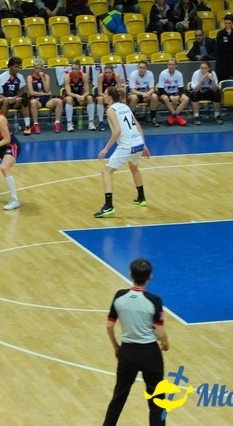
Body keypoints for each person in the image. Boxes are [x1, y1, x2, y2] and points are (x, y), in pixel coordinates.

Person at [102, 257, 168, 426]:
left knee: (119, 396)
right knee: (157, 399)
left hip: (127, 352)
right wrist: (166, 342)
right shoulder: (154, 300)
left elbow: (109, 326)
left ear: (131, 275)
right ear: (150, 277)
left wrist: (116, 347)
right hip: (149, 354)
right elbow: (160, 331)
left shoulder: (119, 296)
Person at [95, 85, 149, 217]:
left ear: (110, 97)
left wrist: (106, 148)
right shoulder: (125, 106)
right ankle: (141, 198)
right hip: (137, 142)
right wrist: (144, 145)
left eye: (105, 94)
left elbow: (118, 131)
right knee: (134, 168)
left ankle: (108, 206)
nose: (103, 96)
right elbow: (138, 126)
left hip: (127, 145)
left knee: (106, 172)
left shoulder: (111, 109)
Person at [26, 59, 63, 134]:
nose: (38, 70)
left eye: (40, 68)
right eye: (37, 68)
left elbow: (47, 90)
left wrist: (42, 77)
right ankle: (36, 124)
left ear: (42, 68)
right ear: (34, 68)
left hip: (46, 100)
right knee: (33, 102)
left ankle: (57, 123)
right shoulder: (30, 77)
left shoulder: (46, 76)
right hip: (36, 100)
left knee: (59, 101)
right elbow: (31, 92)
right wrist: (43, 94)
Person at [0, 56, 30, 132]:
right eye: (15, 67)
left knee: (24, 100)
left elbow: (21, 93)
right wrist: (6, 98)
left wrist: (15, 97)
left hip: (15, 100)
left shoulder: (20, 77)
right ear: (10, 67)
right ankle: (3, 126)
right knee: (5, 101)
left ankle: (27, 126)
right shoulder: (1, 77)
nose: (17, 69)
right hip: (4, 99)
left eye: (18, 67)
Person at [63, 61, 95, 132]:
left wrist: (83, 96)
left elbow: (87, 91)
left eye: (76, 69)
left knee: (89, 98)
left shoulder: (84, 76)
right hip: (71, 96)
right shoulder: (67, 76)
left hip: (80, 97)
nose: (74, 70)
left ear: (79, 69)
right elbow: (68, 92)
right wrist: (76, 96)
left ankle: (91, 123)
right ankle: (69, 123)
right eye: (73, 69)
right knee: (69, 99)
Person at [157, 58, 190, 126]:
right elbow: (160, 89)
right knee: (165, 98)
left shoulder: (179, 74)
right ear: (167, 65)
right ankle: (177, 117)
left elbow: (181, 88)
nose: (171, 66)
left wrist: (178, 96)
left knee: (186, 99)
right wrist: (170, 96)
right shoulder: (163, 74)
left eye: (172, 65)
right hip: (165, 93)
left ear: (176, 66)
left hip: (176, 93)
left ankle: (173, 116)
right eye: (169, 64)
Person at [188, 60, 223, 125]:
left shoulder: (213, 73)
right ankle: (196, 116)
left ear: (209, 69)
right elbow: (195, 90)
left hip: (209, 92)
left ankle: (217, 115)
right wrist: (202, 79)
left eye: (205, 68)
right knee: (193, 94)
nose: (203, 70)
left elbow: (215, 89)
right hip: (199, 92)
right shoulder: (196, 73)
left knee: (217, 93)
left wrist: (212, 80)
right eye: (201, 68)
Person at [128, 61, 160, 127]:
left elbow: (152, 89)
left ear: (146, 68)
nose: (141, 69)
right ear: (138, 68)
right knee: (133, 97)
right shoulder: (133, 74)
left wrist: (148, 93)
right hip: (136, 94)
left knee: (154, 96)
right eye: (140, 67)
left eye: (143, 68)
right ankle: (132, 118)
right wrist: (142, 93)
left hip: (146, 95)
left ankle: (153, 118)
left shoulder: (150, 74)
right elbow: (132, 90)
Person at [214, 14, 233, 82]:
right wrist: (230, 48)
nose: (227, 25)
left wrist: (229, 36)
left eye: (229, 23)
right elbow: (219, 48)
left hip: (232, 62)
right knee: (220, 82)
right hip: (221, 62)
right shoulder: (220, 33)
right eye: (226, 23)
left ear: (232, 23)